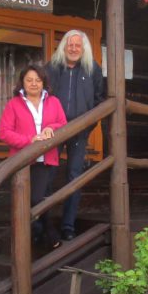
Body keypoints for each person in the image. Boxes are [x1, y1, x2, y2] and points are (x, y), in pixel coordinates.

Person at [0, 64, 67, 248]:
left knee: (37, 199)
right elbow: (4, 132)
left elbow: (63, 124)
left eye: (38, 80)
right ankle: (46, 235)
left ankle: (39, 235)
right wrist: (30, 140)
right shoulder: (14, 104)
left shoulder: (54, 102)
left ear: (44, 82)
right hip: (22, 161)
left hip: (46, 160)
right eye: (29, 80)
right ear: (22, 82)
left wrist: (50, 128)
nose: (34, 84)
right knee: (29, 200)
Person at [46, 29, 106, 241]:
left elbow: (100, 101)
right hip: (53, 131)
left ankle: (68, 226)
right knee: (47, 175)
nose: (73, 48)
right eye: (69, 45)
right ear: (64, 46)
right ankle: (43, 224)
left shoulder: (93, 69)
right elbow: (42, 97)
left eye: (77, 45)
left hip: (80, 131)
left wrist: (89, 126)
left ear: (83, 49)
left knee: (75, 176)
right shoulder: (52, 68)